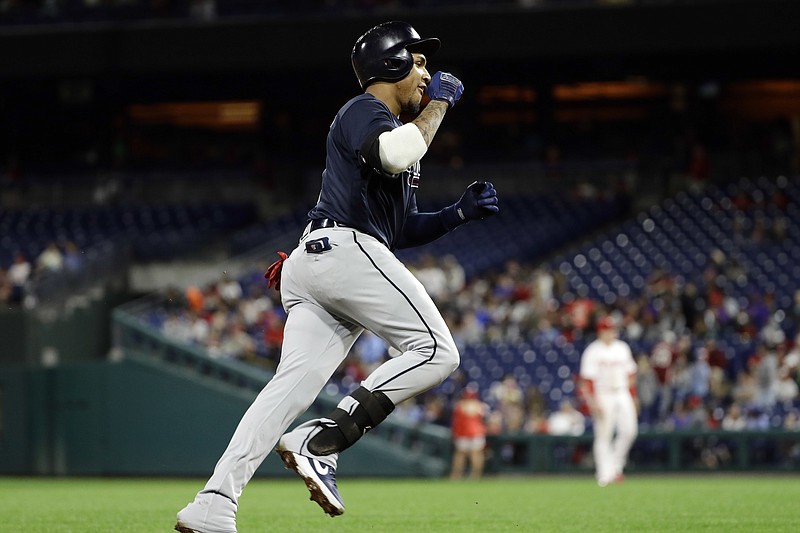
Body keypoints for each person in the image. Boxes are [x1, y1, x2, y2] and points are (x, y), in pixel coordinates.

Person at [175, 21, 499, 533]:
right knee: (437, 351)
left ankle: (214, 502)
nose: (426, 73)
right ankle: (323, 441)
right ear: (390, 64)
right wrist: (440, 105)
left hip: (324, 259)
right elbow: (395, 154)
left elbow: (398, 228)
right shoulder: (364, 110)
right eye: (417, 62)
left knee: (286, 393)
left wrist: (456, 214)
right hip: (341, 251)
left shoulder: (385, 128)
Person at [579, 316, 638, 487]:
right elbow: (587, 380)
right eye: (607, 330)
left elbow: (631, 374)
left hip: (622, 392)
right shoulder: (593, 351)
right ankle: (604, 474)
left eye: (612, 330)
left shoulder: (622, 348)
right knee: (604, 434)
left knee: (630, 431)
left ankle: (615, 467)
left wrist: (633, 396)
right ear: (600, 332)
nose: (610, 333)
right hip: (602, 394)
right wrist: (592, 401)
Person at [449, 388, 489, 480]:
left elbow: (456, 422)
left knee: (460, 455)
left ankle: (456, 475)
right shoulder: (480, 406)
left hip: (463, 433)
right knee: (476, 454)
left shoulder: (460, 405)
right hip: (477, 432)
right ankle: (476, 476)